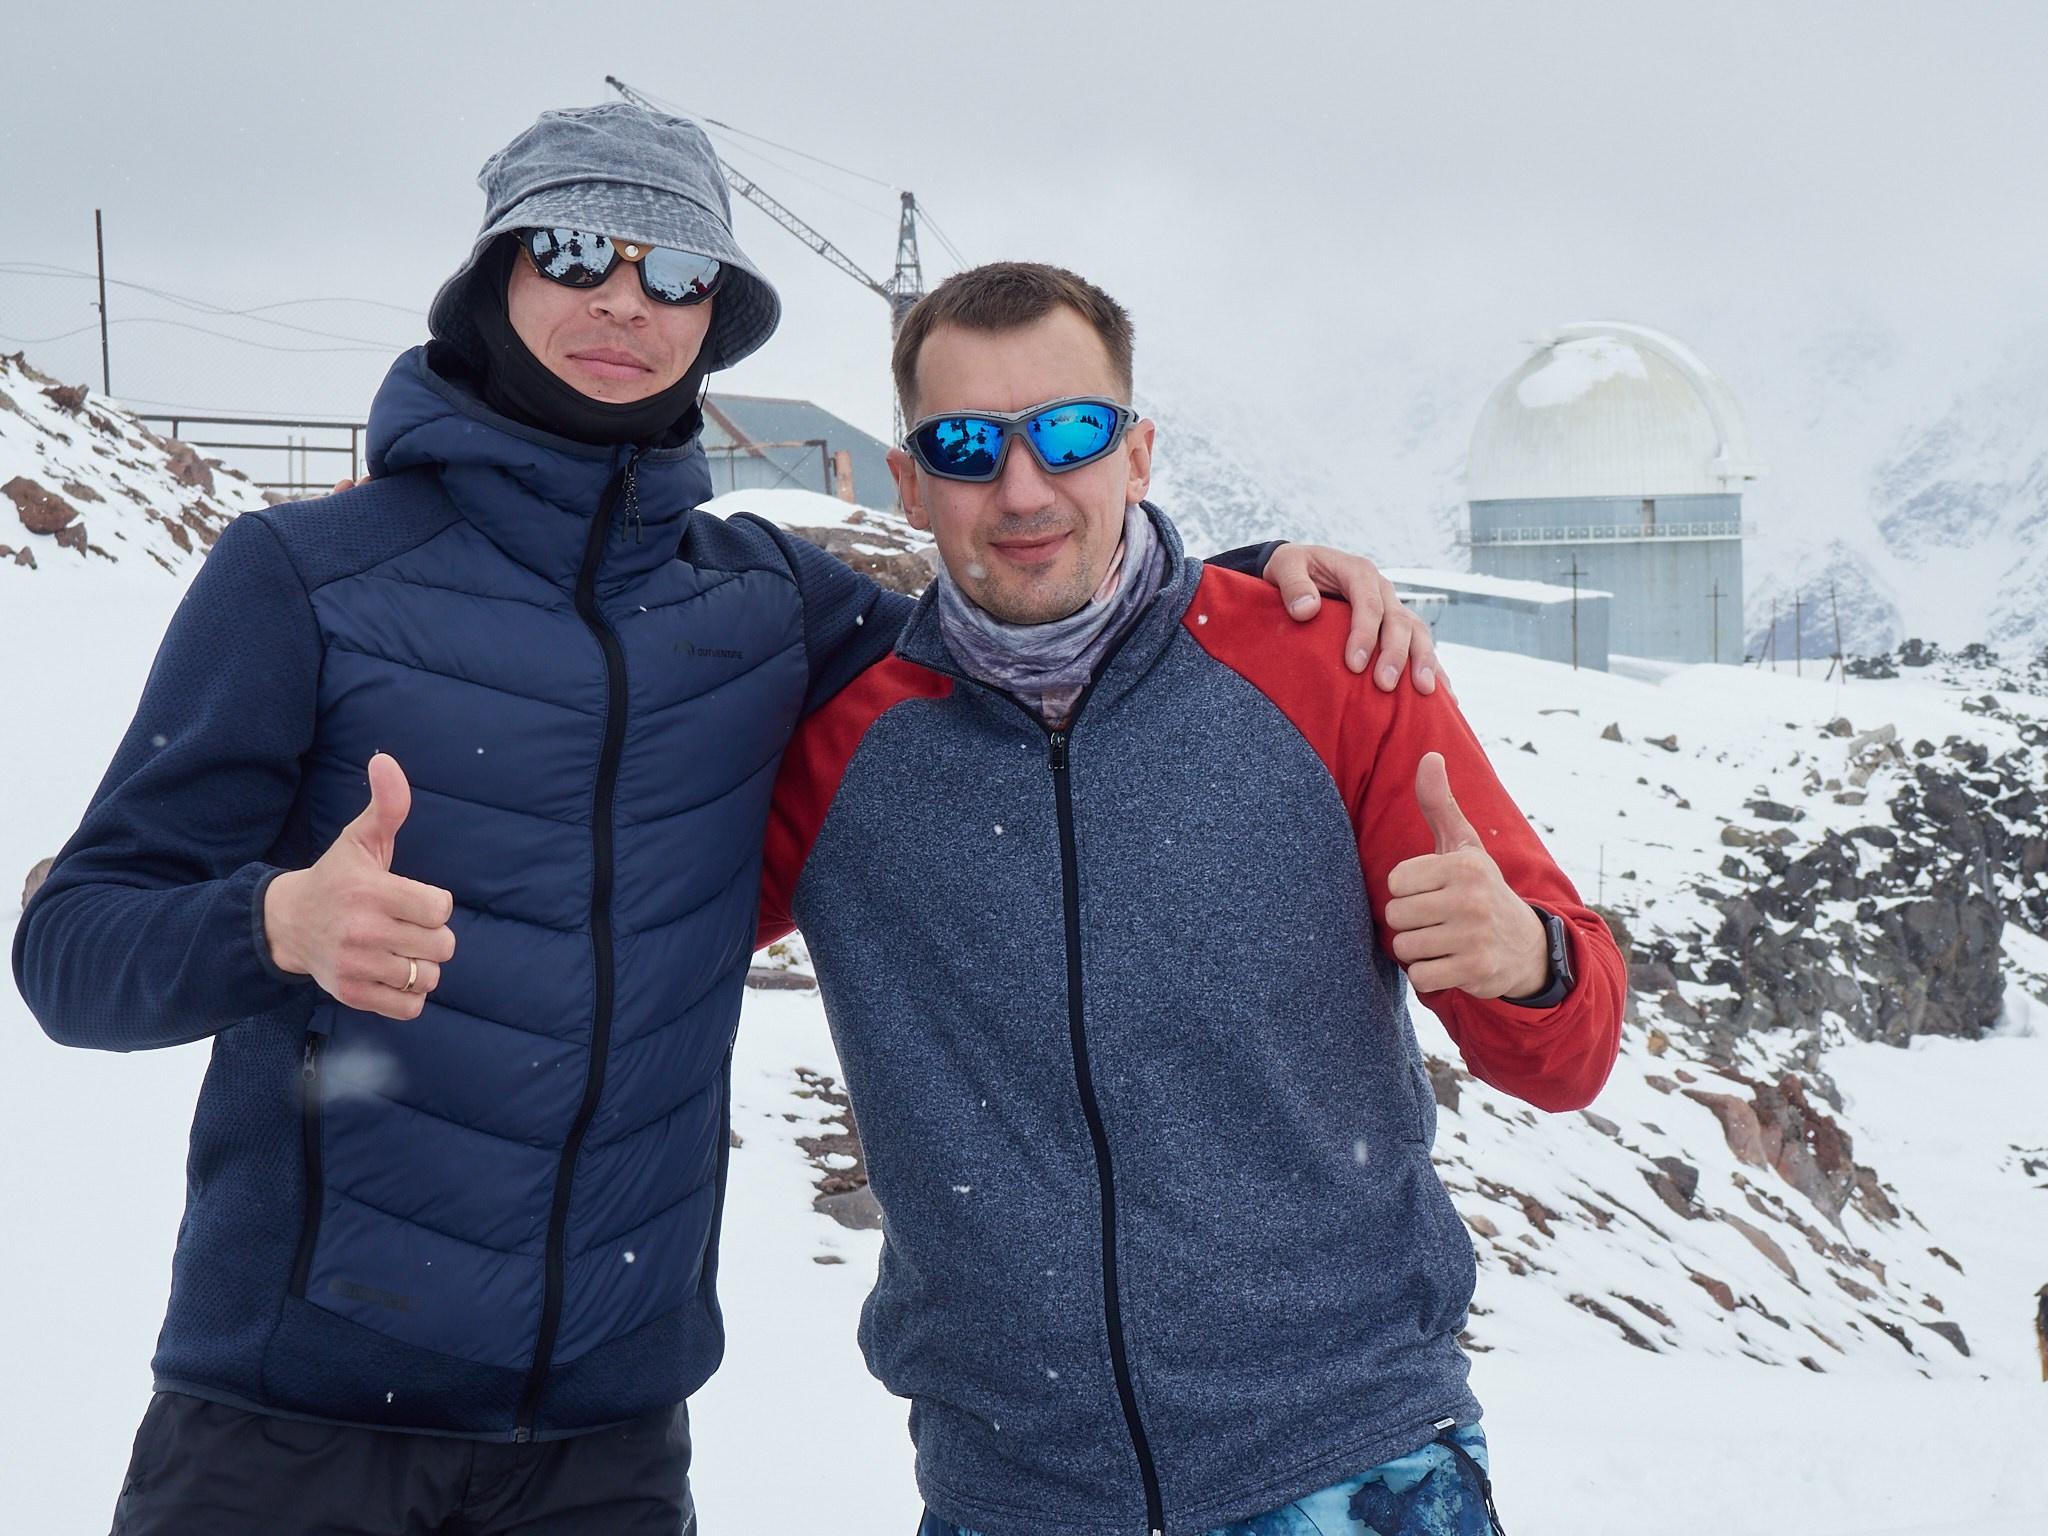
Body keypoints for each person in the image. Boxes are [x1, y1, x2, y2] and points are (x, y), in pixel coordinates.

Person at [12, 107, 1436, 1535]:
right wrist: (273, 923)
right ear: (496, 276)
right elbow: (74, 951)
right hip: (293, 1421)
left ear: (716, 315)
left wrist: (1252, 584)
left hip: (607, 1443)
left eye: (675, 268)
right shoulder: (302, 579)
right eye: (576, 249)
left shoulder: (765, 606)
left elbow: (1024, 635)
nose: (625, 296)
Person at [757, 262, 1628, 1536]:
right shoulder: (841, 742)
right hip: (1014, 1494)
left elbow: (1572, 1052)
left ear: (1138, 452)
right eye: (963, 446)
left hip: (1355, 1469)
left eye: (1068, 434)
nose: (1021, 490)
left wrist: (1525, 962)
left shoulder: (1329, 667)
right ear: (907, 481)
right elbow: (613, 950)